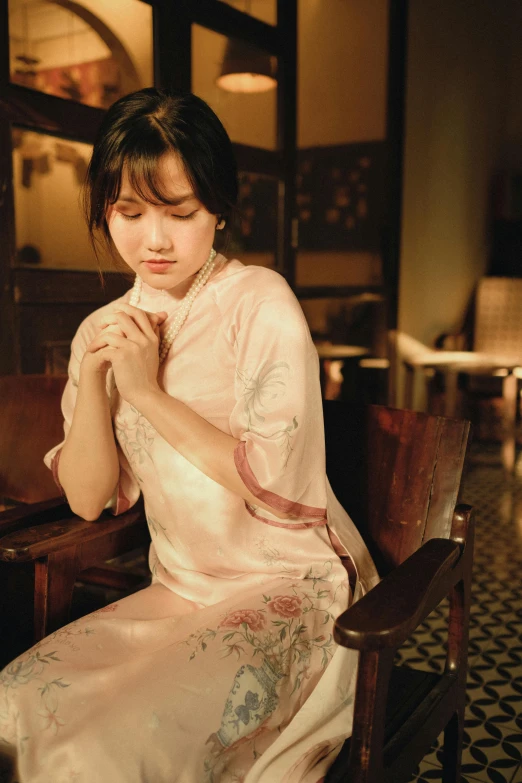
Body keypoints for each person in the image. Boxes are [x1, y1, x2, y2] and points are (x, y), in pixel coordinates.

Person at [0, 88, 378, 783]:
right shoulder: (104, 328)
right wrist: (96, 379)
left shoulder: (259, 302)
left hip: (288, 587)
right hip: (179, 590)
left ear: (219, 208)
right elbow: (87, 500)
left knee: (105, 750)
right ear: (103, 209)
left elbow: (277, 482)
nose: (155, 239)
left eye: (181, 212)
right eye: (129, 212)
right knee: (13, 706)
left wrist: (144, 392)